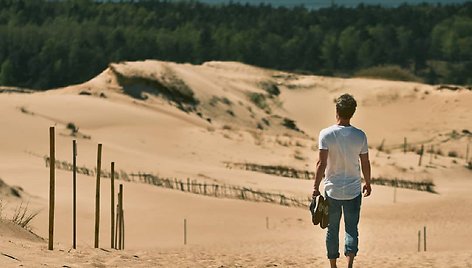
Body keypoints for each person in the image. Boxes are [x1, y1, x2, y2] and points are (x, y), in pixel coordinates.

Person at [312, 93, 372, 268]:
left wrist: (315, 187)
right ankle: (350, 264)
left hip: (332, 191)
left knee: (332, 229)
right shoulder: (360, 135)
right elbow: (365, 162)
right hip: (353, 190)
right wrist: (367, 183)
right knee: (351, 229)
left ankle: (333, 266)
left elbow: (321, 163)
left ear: (337, 111)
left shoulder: (326, 134)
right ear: (352, 112)